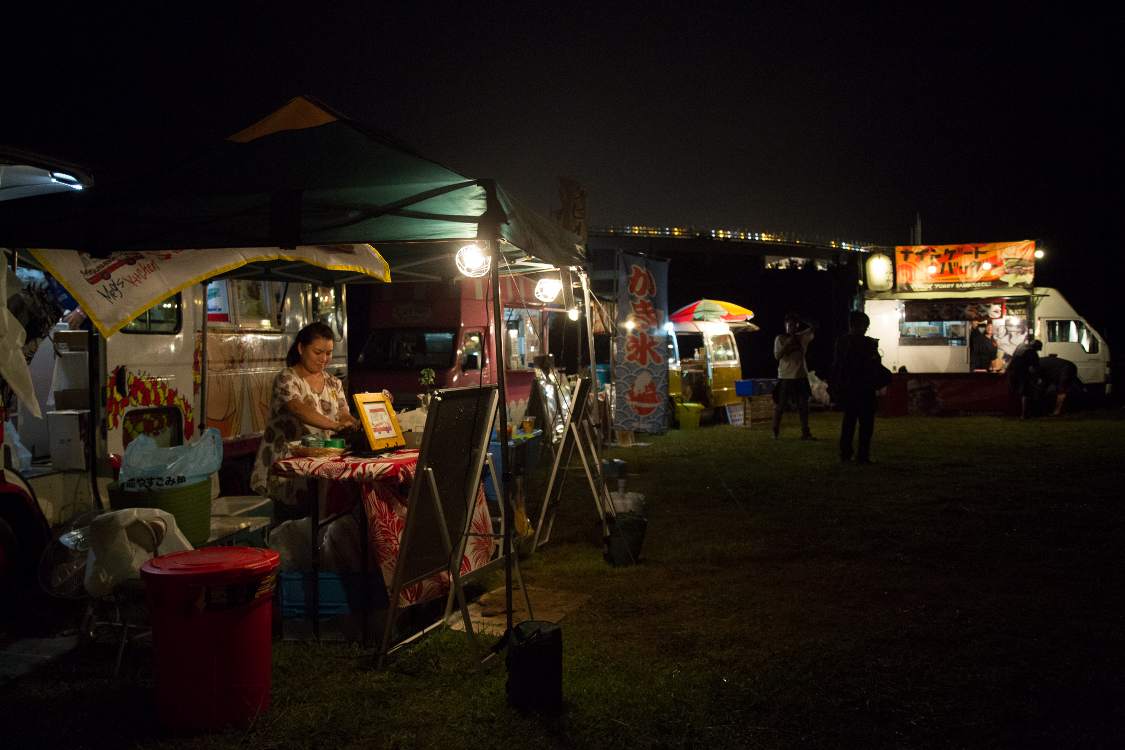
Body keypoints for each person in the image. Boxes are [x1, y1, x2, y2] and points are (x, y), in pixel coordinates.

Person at [250, 322, 360, 508]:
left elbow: (343, 414)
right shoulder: (287, 378)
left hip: (318, 468)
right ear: (301, 348)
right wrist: (333, 425)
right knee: (288, 524)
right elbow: (298, 408)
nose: (324, 359)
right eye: (318, 353)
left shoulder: (334, 383)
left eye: (329, 353)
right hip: (286, 467)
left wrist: (356, 423)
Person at [831, 311, 882, 464]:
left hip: (849, 388)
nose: (866, 329)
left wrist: (836, 387)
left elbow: (837, 366)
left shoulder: (841, 341)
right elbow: (876, 364)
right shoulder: (868, 343)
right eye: (865, 326)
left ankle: (846, 454)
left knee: (849, 422)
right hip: (864, 388)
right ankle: (862, 455)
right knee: (865, 424)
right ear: (860, 325)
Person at [772, 313, 816, 440]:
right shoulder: (780, 339)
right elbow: (777, 356)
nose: (791, 327)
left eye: (794, 324)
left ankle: (805, 432)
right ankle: (775, 430)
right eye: (789, 324)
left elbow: (815, 325)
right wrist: (787, 344)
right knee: (780, 405)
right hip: (785, 377)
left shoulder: (802, 337)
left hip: (801, 376)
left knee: (803, 405)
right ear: (785, 326)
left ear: (797, 325)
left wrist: (802, 318)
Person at [1008, 338, 1041, 419]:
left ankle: (1013, 413)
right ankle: (1024, 415)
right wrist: (1037, 378)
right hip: (1022, 374)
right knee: (1025, 394)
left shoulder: (1021, 346)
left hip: (1011, 373)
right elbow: (1033, 368)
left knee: (1015, 393)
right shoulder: (1032, 353)